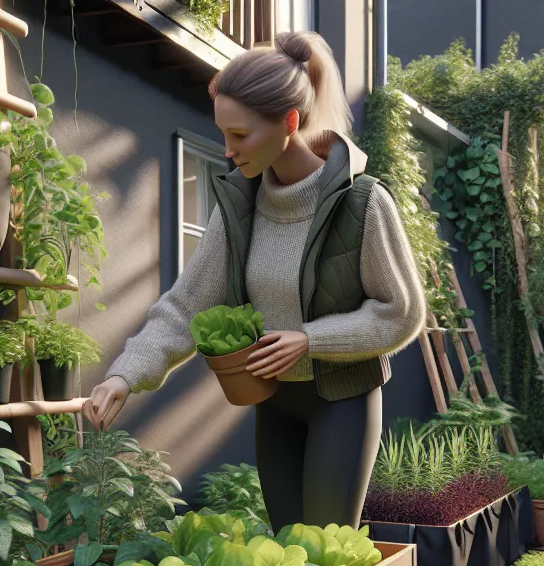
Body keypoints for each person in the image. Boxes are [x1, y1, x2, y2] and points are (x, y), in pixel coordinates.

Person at [83, 31, 426, 531]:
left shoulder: (364, 204)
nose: (227, 151)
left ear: (289, 122)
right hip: (274, 403)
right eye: (224, 133)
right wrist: (124, 374)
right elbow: (186, 306)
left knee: (328, 550)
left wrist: (311, 340)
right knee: (288, 547)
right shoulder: (238, 209)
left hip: (343, 401)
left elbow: (402, 312)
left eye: (240, 136)